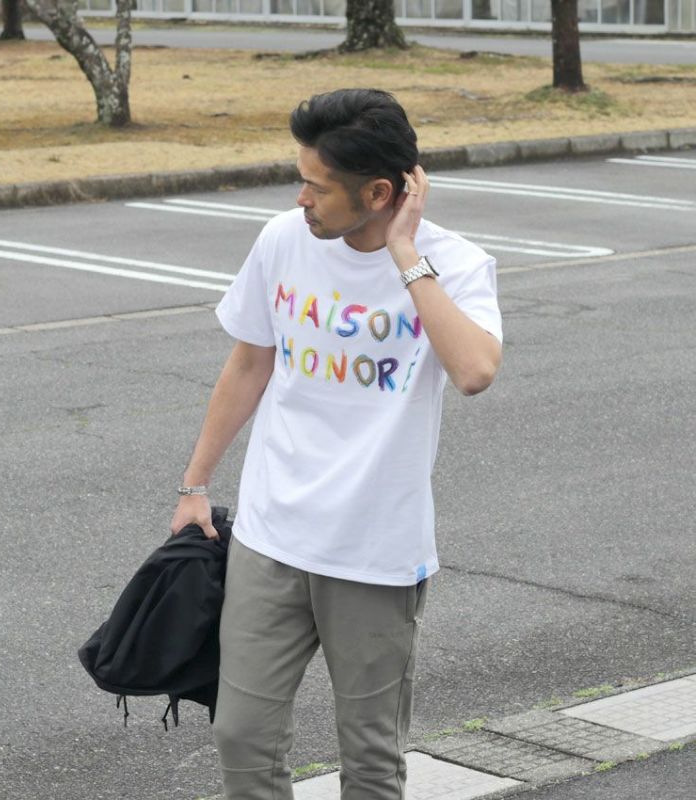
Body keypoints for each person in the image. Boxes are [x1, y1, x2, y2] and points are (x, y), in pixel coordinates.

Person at [170, 88, 503, 800]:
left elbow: (475, 371)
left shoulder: (455, 263)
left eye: (317, 188)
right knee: (242, 734)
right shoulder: (282, 240)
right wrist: (195, 483)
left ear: (378, 193)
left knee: (371, 758)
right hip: (271, 535)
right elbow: (249, 363)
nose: (301, 200)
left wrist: (405, 254)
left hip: (375, 553)